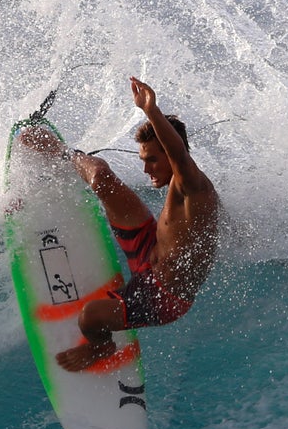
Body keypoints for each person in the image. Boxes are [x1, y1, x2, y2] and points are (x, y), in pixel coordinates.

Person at [27, 76, 219, 372]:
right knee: (102, 177)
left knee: (89, 318)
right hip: (149, 251)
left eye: (153, 159)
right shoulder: (180, 187)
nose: (146, 169)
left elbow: (179, 154)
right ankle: (61, 152)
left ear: (172, 154)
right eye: (144, 159)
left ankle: (102, 346)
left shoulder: (193, 185)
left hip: (163, 297)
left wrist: (150, 110)